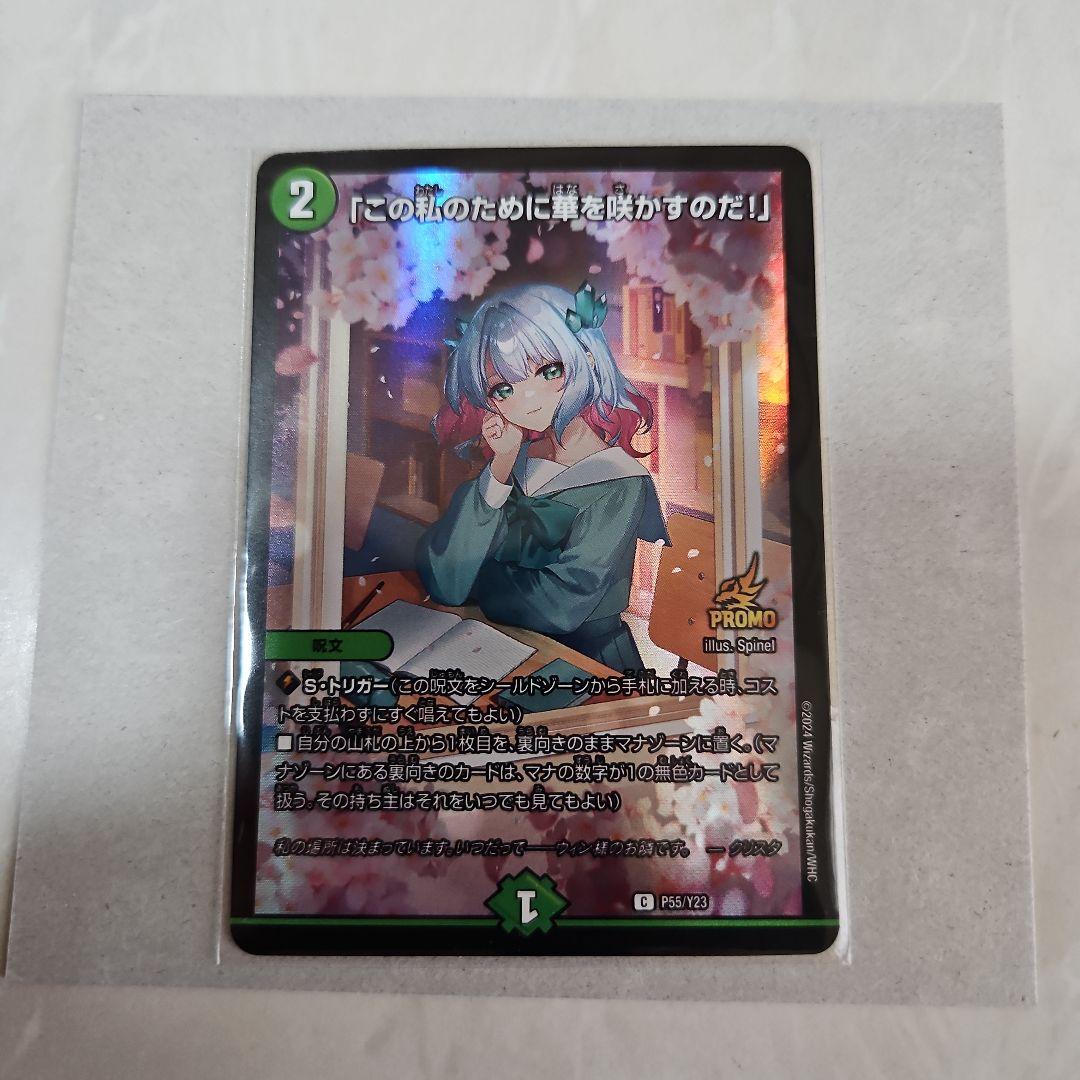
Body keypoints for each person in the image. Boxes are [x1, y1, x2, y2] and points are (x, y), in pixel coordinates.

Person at [417, 281, 669, 671]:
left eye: (548, 371)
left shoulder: (620, 482)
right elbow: (447, 581)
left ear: (586, 357)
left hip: (586, 664)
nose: (528, 399)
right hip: (504, 644)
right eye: (503, 389)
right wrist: (500, 468)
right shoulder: (514, 462)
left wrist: (479, 579)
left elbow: (561, 606)